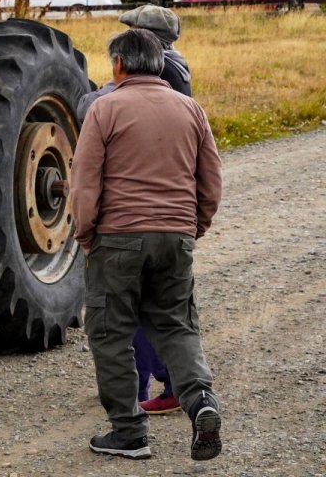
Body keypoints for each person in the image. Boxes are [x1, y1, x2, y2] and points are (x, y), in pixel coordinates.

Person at [71, 28, 223, 462]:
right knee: (177, 324)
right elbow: (210, 181)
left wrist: (86, 233)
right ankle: (200, 402)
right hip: (176, 236)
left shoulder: (105, 109)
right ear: (159, 64)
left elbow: (85, 181)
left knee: (111, 331)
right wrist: (193, 227)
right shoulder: (191, 109)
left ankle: (129, 432)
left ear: (119, 64)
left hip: (117, 237)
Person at [77, 4, 190, 415]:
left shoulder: (161, 77)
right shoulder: (176, 74)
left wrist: (85, 229)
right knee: (157, 307)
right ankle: (149, 385)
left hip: (133, 215)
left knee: (134, 311)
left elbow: (92, 108)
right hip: (169, 212)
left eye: (131, 33)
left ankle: (154, 390)